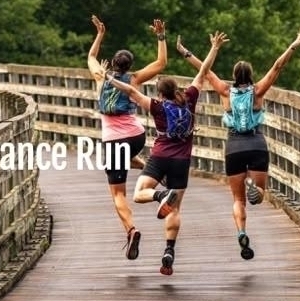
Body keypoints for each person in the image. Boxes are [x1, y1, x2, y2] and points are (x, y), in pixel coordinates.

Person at [97, 31, 229, 275]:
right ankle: (169, 250)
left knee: (138, 193)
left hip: (159, 158)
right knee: (176, 209)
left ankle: (160, 196)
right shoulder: (190, 97)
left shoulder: (156, 106)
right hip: (181, 162)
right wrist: (214, 48)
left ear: (159, 94)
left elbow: (130, 91)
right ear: (177, 89)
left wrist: (108, 78)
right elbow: (203, 72)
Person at [175, 29, 300, 260]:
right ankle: (255, 186)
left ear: (234, 75)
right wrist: (292, 46)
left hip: (234, 145)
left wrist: (185, 52)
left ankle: (242, 232)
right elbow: (277, 67)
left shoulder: (225, 91)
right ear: (251, 75)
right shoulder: (257, 91)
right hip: (256, 143)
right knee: (261, 194)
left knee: (238, 199)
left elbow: (204, 70)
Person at [87, 15, 168, 261]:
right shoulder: (133, 79)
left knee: (118, 194)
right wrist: (160, 35)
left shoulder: (101, 76)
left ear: (112, 63)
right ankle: (153, 173)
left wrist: (100, 34)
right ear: (129, 64)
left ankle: (131, 230)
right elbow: (161, 63)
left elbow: (90, 57)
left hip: (113, 140)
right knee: (128, 158)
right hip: (136, 136)